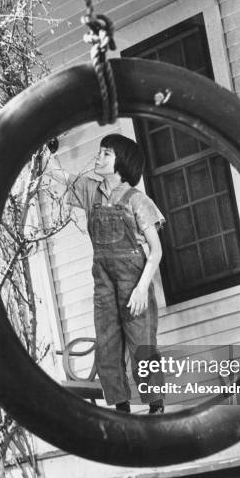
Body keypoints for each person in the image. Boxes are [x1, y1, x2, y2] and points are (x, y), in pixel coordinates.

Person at [51, 134, 165, 414]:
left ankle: (155, 407)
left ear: (121, 163)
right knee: (107, 345)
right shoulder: (92, 191)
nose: (98, 158)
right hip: (103, 282)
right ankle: (121, 408)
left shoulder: (138, 200)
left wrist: (141, 289)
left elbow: (156, 250)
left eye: (106, 154)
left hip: (134, 282)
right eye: (99, 152)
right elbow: (56, 175)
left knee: (142, 344)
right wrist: (47, 148)